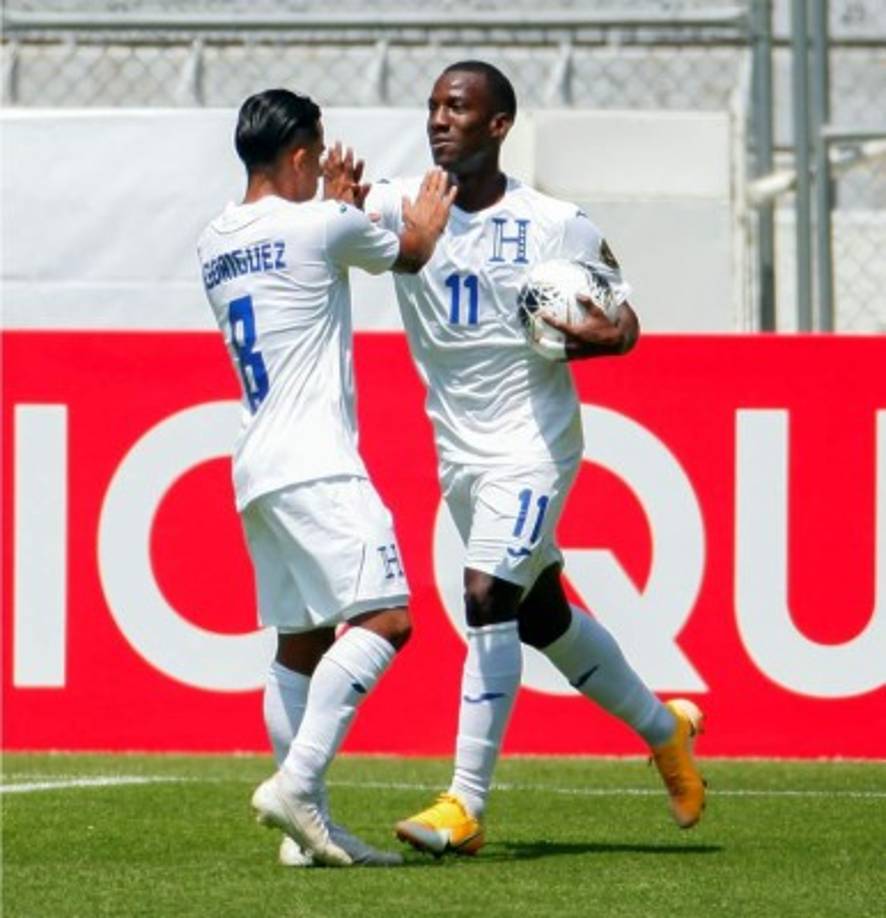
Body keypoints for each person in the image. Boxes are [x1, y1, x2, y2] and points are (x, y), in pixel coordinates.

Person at [365, 61, 707, 857]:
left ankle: (464, 804)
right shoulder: (398, 207)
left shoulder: (557, 224)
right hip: (458, 453)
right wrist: (338, 199)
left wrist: (606, 336)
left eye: (458, 108)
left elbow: (621, 317)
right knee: (540, 614)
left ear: (498, 125)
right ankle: (667, 732)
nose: (440, 120)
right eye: (433, 107)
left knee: (485, 594)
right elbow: (335, 228)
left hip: (533, 445)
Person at [197, 88, 455, 867]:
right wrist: (427, 221)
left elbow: (304, 255)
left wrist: (337, 206)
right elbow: (407, 252)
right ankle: (297, 784)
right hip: (317, 460)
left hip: (257, 467)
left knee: (301, 643)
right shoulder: (322, 222)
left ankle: (306, 837)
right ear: (303, 156)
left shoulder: (214, 238)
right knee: (388, 620)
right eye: (317, 158)